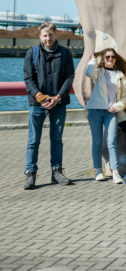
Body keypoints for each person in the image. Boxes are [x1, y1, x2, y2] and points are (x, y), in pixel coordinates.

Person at [23, 22, 75, 189]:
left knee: (57, 140)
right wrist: (41, 97)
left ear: (55, 35)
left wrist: (57, 97)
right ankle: (30, 174)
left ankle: (56, 172)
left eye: (50, 35)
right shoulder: (32, 53)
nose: (48, 38)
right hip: (37, 103)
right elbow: (29, 79)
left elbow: (69, 78)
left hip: (58, 103)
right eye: (45, 35)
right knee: (33, 140)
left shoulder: (65, 54)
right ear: (40, 37)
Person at [85, 48, 126, 184]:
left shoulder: (120, 75)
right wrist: (93, 59)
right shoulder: (99, 73)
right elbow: (88, 72)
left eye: (113, 57)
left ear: (116, 59)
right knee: (97, 142)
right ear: (103, 59)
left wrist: (116, 107)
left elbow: (125, 96)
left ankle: (115, 172)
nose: (110, 59)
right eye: (107, 57)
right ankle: (98, 171)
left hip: (111, 111)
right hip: (95, 110)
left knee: (112, 142)